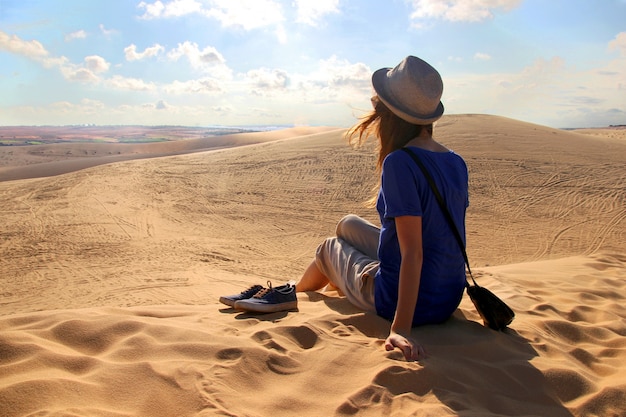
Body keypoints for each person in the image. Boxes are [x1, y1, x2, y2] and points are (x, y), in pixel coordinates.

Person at [221, 56, 469, 362]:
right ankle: (297, 287)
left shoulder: (400, 163)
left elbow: (413, 254)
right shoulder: (456, 161)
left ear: (389, 115)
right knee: (347, 225)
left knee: (328, 248)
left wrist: (401, 328)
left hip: (405, 302)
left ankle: (292, 293)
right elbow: (441, 236)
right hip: (447, 295)